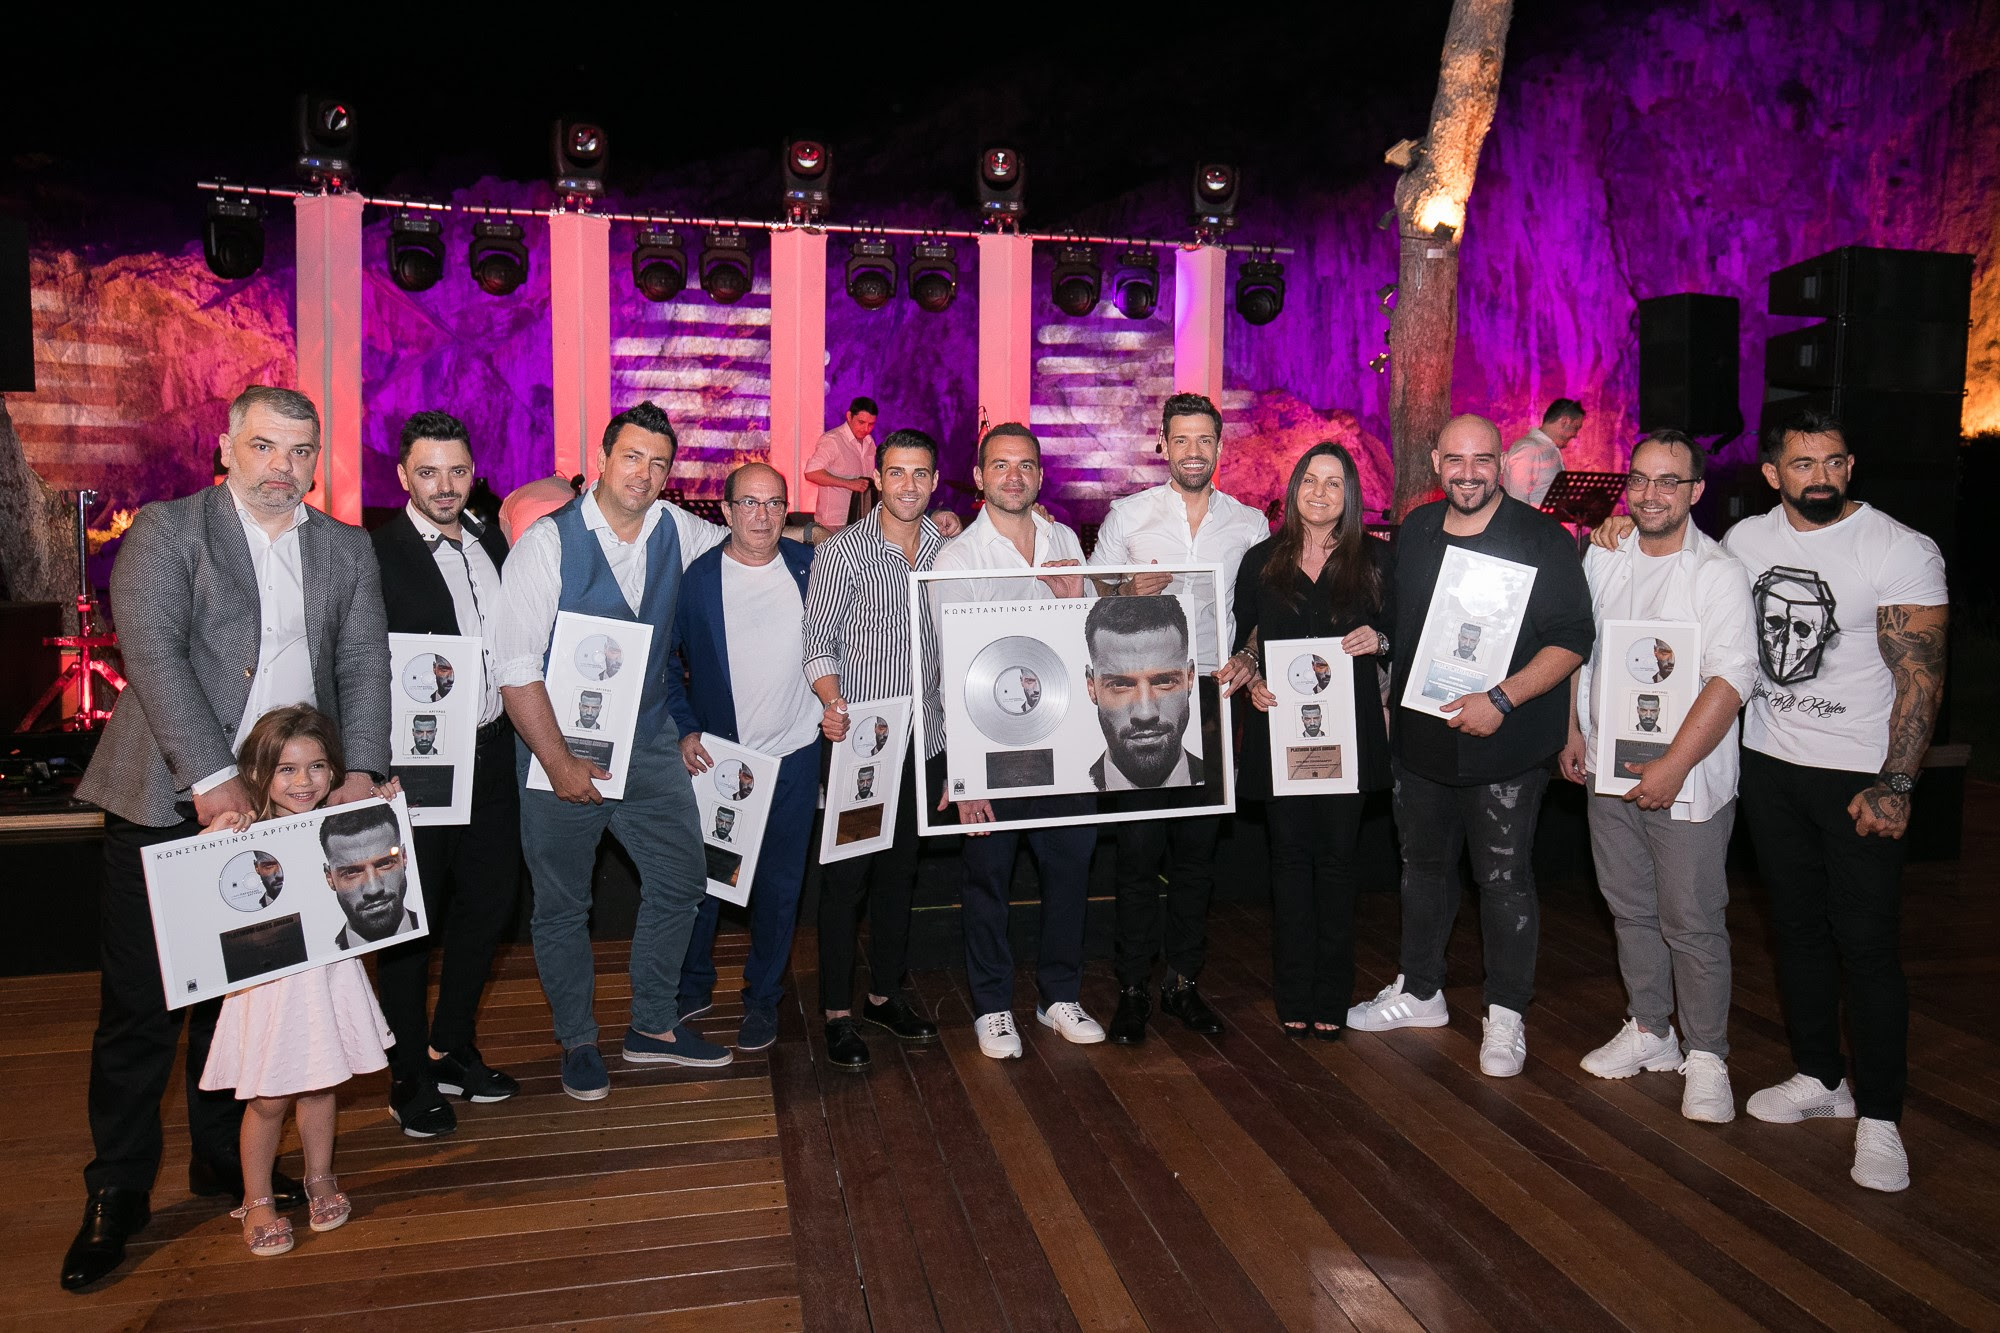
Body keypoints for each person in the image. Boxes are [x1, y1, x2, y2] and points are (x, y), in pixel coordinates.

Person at [62, 385, 391, 1292]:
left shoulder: (347, 547)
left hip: (287, 816)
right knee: (142, 1007)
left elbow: (364, 659)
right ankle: (118, 1189)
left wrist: (361, 769)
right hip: (168, 799)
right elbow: (154, 654)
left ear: (317, 458)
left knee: (244, 996)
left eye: (300, 450)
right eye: (264, 446)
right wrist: (212, 779)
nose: (283, 466)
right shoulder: (169, 531)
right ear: (226, 447)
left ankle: (221, 1162)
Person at [1719, 407, 1946, 1191]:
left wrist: (1897, 782)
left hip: (1859, 775)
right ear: (1772, 473)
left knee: (1868, 944)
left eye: (1835, 462)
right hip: (1769, 765)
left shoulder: (1897, 547)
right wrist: (1615, 532)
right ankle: (1821, 1076)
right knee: (1795, 931)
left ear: (1851, 466)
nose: (1822, 477)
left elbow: (1921, 678)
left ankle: (1881, 1117)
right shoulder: (1745, 541)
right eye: (1803, 464)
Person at [494, 401, 740, 1101]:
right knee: (563, 904)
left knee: (681, 880)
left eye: (659, 463)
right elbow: (515, 669)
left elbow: (752, 544)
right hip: (557, 745)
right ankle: (578, 1038)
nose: (645, 473)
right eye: (632, 456)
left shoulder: (678, 529)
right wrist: (558, 763)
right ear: (601, 460)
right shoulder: (546, 543)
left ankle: (653, 1026)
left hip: (651, 741)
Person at [1348, 414, 1594, 1078]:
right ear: (1436, 462)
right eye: (1455, 459)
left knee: (1505, 879)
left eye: (1481, 459)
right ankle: (1421, 990)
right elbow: (1405, 627)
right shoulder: (1417, 531)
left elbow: (1573, 639)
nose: (1468, 472)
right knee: (1422, 870)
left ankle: (1507, 1013)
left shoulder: (1542, 539)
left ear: (1502, 463)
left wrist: (1503, 699)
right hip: (1422, 743)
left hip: (1506, 742)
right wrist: (1383, 651)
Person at [1558, 429, 1757, 1124]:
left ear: (1696, 491)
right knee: (1629, 906)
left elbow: (1733, 678)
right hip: (1607, 768)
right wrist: (1574, 730)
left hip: (1688, 778)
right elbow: (1581, 650)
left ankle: (1708, 1056)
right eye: (1639, 479)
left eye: (1669, 481)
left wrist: (1674, 765)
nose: (1650, 494)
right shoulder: (1606, 555)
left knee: (1692, 920)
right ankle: (1651, 1029)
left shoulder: (1718, 573)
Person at [1087, 392, 1267, 1044]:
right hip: (1143, 698)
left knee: (1197, 857)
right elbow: (1090, 595)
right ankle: (1133, 986)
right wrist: (1123, 588)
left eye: (1205, 440)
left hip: (1212, 702)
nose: (1194, 451)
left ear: (1220, 446)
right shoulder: (1129, 515)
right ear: (1163, 443)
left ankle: (1184, 982)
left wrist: (1249, 655)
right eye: (1181, 439)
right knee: (1137, 855)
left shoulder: (1249, 523)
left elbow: (1261, 613)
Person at [370, 409, 523, 1138]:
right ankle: (407, 1073)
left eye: (457, 470)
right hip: (416, 764)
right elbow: (355, 663)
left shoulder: (491, 539)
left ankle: (450, 1045)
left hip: (493, 751)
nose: (444, 485)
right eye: (428, 472)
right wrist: (372, 763)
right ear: (404, 475)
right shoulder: (376, 552)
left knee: (489, 903)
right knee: (411, 920)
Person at [197, 706, 397, 1257]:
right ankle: (256, 1198)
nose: (303, 781)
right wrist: (213, 838)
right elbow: (204, 892)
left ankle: (320, 1177)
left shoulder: (341, 824)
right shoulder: (242, 833)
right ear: (258, 774)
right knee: (268, 1097)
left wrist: (386, 810)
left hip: (327, 972)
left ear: (334, 770)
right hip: (268, 986)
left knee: (320, 1083)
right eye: (287, 769)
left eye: (316, 767)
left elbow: (382, 865)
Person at [931, 422, 1103, 1059]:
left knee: (1070, 871)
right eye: (1000, 465)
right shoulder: (958, 559)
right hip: (992, 745)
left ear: (1039, 475)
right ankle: (992, 1006)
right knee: (988, 880)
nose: (1014, 476)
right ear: (979, 477)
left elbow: (1089, 638)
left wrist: (1076, 597)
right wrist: (964, 769)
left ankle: (1059, 994)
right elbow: (951, 667)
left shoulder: (1064, 540)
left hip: (1065, 738)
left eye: (1025, 465)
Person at [1229, 442, 1395, 1039]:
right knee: (1289, 864)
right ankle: (1294, 990)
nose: (1320, 492)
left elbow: (1402, 635)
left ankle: (1333, 994)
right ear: (1294, 488)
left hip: (1346, 738)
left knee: (1339, 864)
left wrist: (1380, 640)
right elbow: (1247, 640)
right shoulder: (1261, 561)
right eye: (1309, 480)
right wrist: (1251, 676)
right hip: (1282, 735)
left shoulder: (1376, 560)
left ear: (1350, 495)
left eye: (1333, 482)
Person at [802, 428, 952, 1071]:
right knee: (845, 880)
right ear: (878, 480)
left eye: (920, 474)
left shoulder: (950, 550)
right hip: (863, 744)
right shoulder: (844, 551)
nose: (908, 486)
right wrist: (833, 703)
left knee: (900, 874)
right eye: (897, 473)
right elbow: (818, 643)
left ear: (935, 481)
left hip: (928, 741)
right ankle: (837, 1013)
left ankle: (885, 995)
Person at [667, 462, 825, 1052]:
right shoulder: (697, 580)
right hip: (723, 759)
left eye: (774, 503)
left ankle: (763, 998)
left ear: (787, 510)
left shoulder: (814, 569)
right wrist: (686, 730)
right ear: (727, 512)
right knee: (708, 881)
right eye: (750, 503)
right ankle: (693, 986)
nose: (763, 515)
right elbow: (665, 664)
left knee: (780, 889)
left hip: (796, 753)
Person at [1084, 597, 1202, 790]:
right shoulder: (1066, 796)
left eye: (1164, 681)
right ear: (1092, 687)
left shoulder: (1222, 782)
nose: (1145, 713)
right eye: (1120, 684)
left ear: (1189, 678)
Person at [325, 802, 421, 948]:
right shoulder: (324, 951)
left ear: (404, 857)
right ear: (330, 878)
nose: (373, 889)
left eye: (385, 864)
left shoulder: (433, 921)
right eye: (351, 872)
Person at [806, 396, 880, 529]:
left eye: (871, 424)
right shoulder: (832, 440)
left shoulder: (870, 442)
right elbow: (811, 473)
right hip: (834, 521)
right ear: (849, 416)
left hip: (861, 519)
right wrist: (849, 483)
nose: (866, 428)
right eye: (861, 422)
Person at [1501, 398, 1585, 509]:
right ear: (1564, 421)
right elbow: (1518, 501)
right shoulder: (1528, 449)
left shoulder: (1547, 449)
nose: (1575, 435)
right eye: (1576, 428)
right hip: (1531, 520)